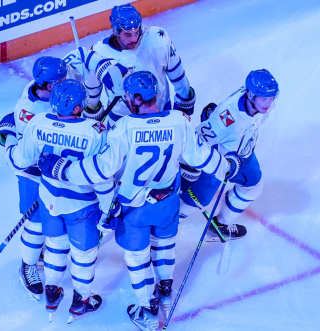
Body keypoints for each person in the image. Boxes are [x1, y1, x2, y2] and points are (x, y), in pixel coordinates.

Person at [37, 71, 240, 331]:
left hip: (133, 207)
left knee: (137, 258)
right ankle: (165, 289)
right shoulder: (180, 121)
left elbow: (101, 170)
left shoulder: (123, 129)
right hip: (167, 201)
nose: (125, 101)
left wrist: (62, 170)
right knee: (165, 245)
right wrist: (227, 166)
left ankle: (147, 310)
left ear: (135, 98)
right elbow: (201, 158)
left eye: (128, 97)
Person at [0, 51, 126, 301]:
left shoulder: (50, 93)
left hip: (57, 173)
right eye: (60, 79)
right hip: (35, 173)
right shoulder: (31, 112)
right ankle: (28, 266)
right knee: (35, 224)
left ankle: (48, 258)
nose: (67, 80)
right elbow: (30, 156)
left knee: (53, 225)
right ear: (46, 85)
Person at [179, 69, 279, 241]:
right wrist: (186, 168)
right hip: (218, 160)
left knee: (253, 186)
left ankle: (219, 226)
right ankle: (159, 234)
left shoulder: (263, 99)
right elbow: (194, 142)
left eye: (271, 97)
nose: (269, 103)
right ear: (250, 94)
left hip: (243, 153)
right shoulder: (227, 120)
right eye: (264, 98)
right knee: (197, 199)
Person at [90, 4, 197, 128]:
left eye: (137, 32)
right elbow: (92, 95)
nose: (134, 38)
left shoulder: (158, 39)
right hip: (121, 123)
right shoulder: (98, 53)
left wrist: (180, 114)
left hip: (160, 113)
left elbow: (179, 79)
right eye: (128, 34)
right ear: (115, 30)